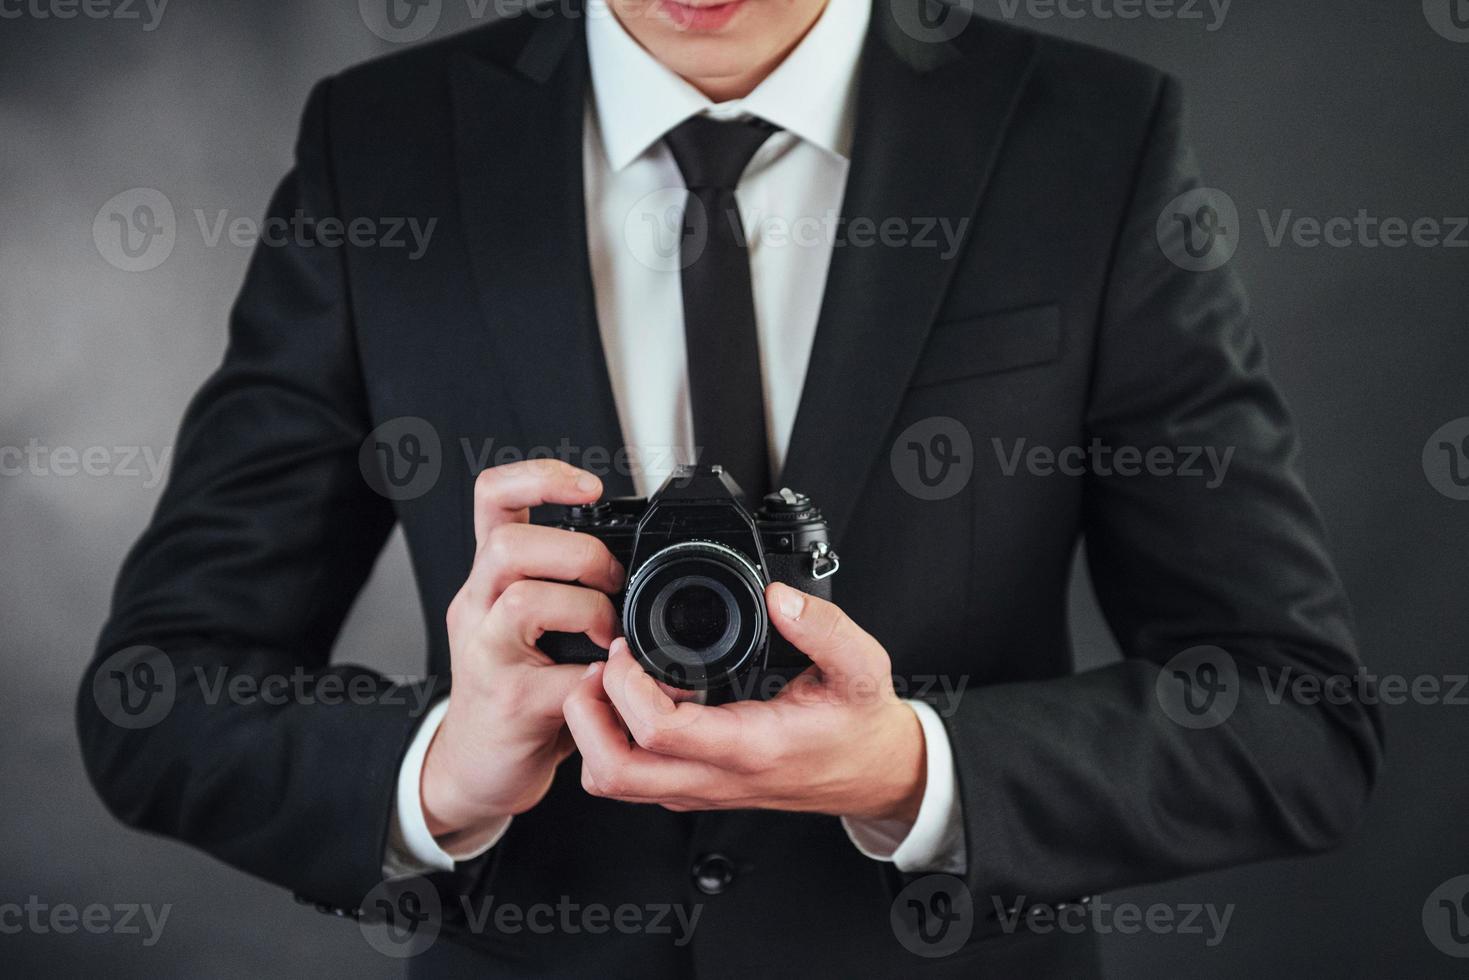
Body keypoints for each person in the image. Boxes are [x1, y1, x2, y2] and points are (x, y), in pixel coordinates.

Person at [78, 0, 1383, 975]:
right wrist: (439, 774)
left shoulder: (1093, 138)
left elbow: (1294, 717)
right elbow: (158, 698)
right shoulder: (382, 148)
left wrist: (908, 771)